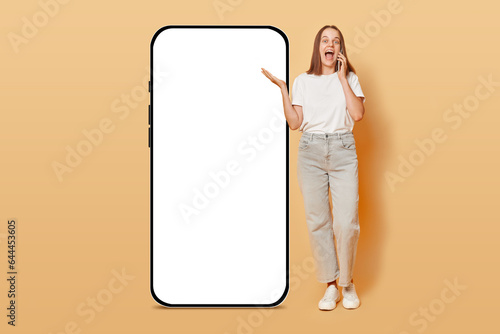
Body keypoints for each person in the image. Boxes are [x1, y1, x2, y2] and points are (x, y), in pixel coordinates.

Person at [261, 25, 366, 311]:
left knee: (346, 223)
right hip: (311, 151)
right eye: (325, 40)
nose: (330, 44)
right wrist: (283, 89)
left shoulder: (351, 78)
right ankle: (331, 285)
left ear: (340, 49)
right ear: (318, 47)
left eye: (335, 41)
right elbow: (295, 123)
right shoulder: (303, 81)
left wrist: (342, 79)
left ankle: (347, 281)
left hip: (343, 150)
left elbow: (356, 114)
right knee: (318, 221)